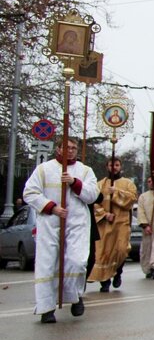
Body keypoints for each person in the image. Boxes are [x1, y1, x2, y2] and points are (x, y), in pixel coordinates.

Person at [23, 138, 99, 323]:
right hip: (50, 222)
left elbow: (92, 195)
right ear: (58, 149)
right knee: (48, 263)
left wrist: (74, 182)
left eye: (74, 148)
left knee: (77, 261)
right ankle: (46, 307)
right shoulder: (44, 169)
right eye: (67, 147)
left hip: (76, 223)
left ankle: (75, 296)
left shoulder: (85, 171)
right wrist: (51, 207)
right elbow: (29, 193)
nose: (71, 151)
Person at [87, 157, 138, 292]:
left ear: (120, 167)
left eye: (116, 165)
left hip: (121, 222)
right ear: (107, 166)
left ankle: (118, 272)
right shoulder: (100, 184)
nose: (114, 167)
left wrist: (115, 192)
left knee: (121, 250)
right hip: (105, 224)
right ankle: (105, 281)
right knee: (104, 252)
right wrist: (104, 214)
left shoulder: (128, 183)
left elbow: (132, 199)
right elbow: (93, 202)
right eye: (111, 165)